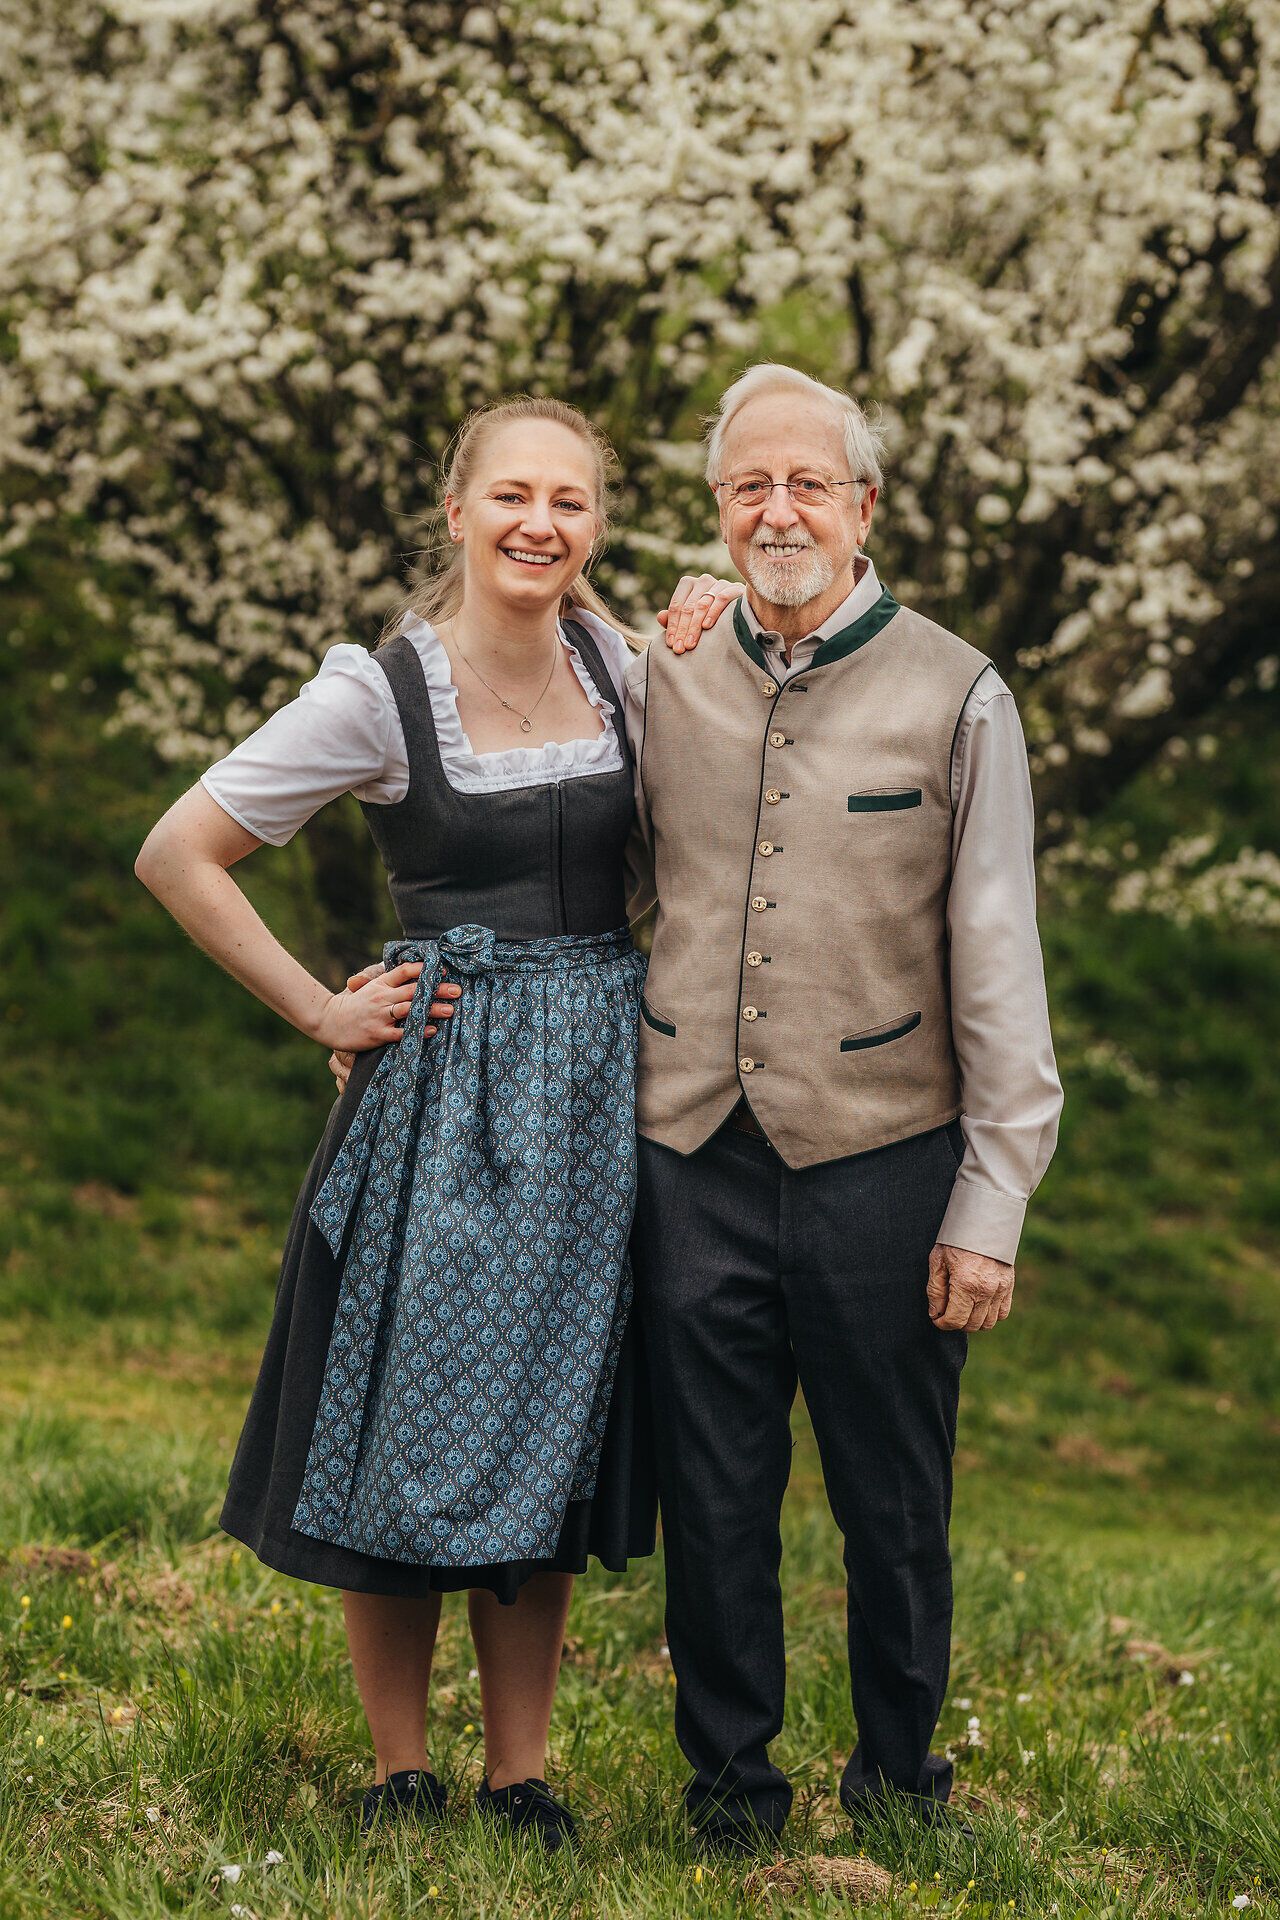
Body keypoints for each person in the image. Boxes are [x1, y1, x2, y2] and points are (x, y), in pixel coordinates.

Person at [134, 395, 737, 1848]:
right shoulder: (378, 693)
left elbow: (733, 781)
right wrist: (321, 1010)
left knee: (552, 1418)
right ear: (459, 509)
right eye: (515, 496)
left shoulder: (625, 667)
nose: (543, 525)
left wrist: (721, 640)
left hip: (599, 1095)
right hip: (442, 1102)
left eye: (574, 503)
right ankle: (401, 1765)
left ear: (596, 527)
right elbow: (181, 850)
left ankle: (517, 1775)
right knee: (394, 1418)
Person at [623, 363, 1064, 1855]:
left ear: (867, 504)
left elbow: (1000, 958)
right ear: (715, 512)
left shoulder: (960, 690)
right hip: (690, 1146)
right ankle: (731, 1794)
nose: (780, 508)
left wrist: (990, 1203)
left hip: (886, 1155)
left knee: (893, 1501)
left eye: (811, 480)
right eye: (750, 485)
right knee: (717, 1495)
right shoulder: (659, 663)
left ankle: (899, 1778)